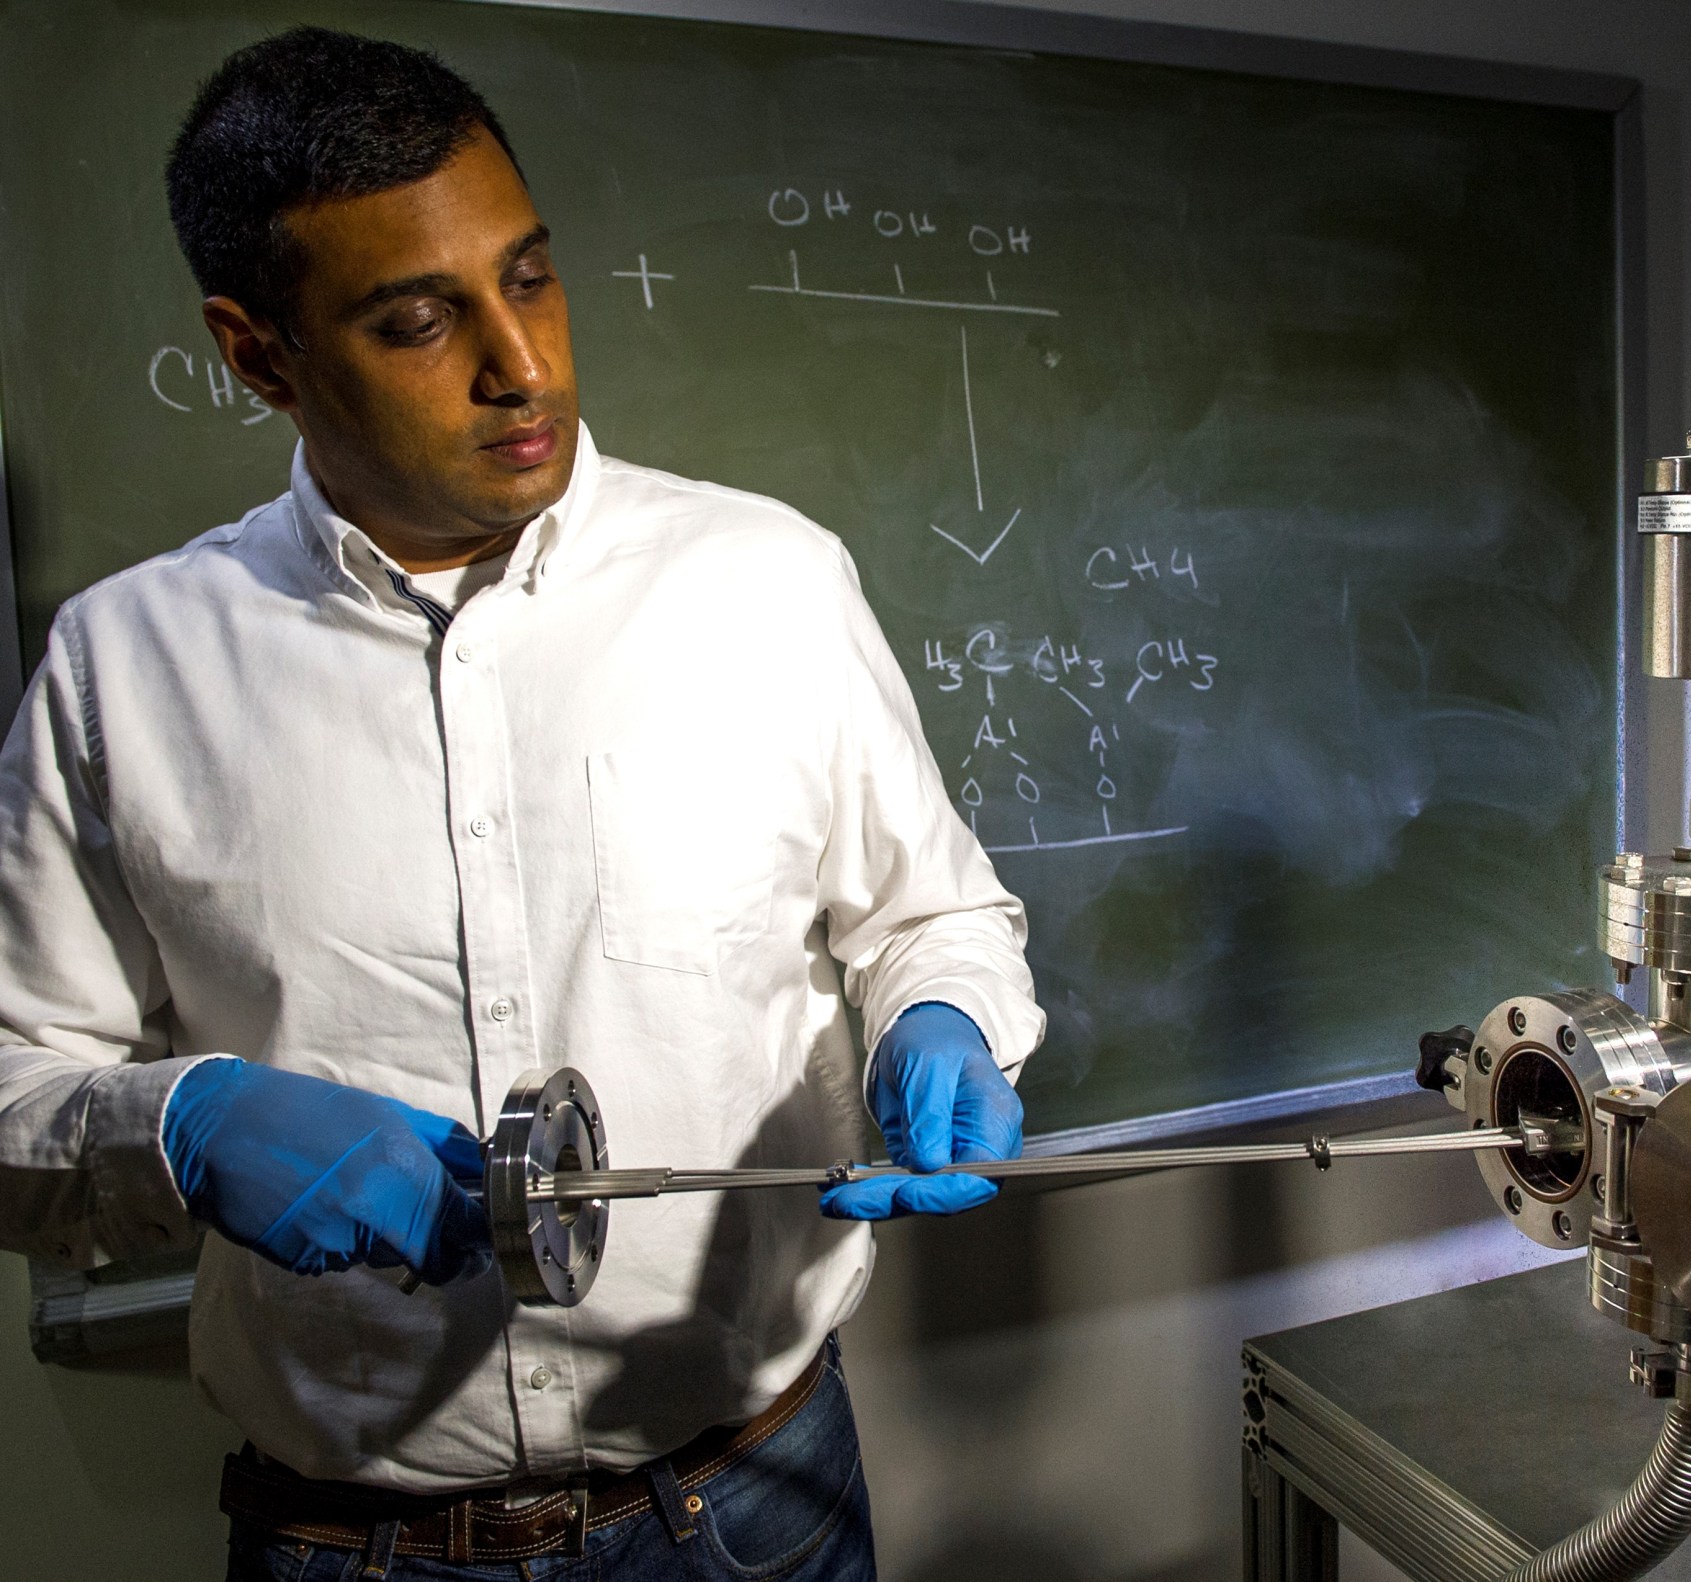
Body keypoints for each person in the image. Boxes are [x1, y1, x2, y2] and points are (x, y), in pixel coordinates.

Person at [0, 26, 1042, 1581]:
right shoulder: (121, 669)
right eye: (421, 320)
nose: (523, 365)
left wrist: (941, 1014)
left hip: (755, 1503)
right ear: (259, 352)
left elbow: (930, 912)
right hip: (353, 1544)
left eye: (532, 278)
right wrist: (183, 1126)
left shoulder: (765, 580)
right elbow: (14, 1077)